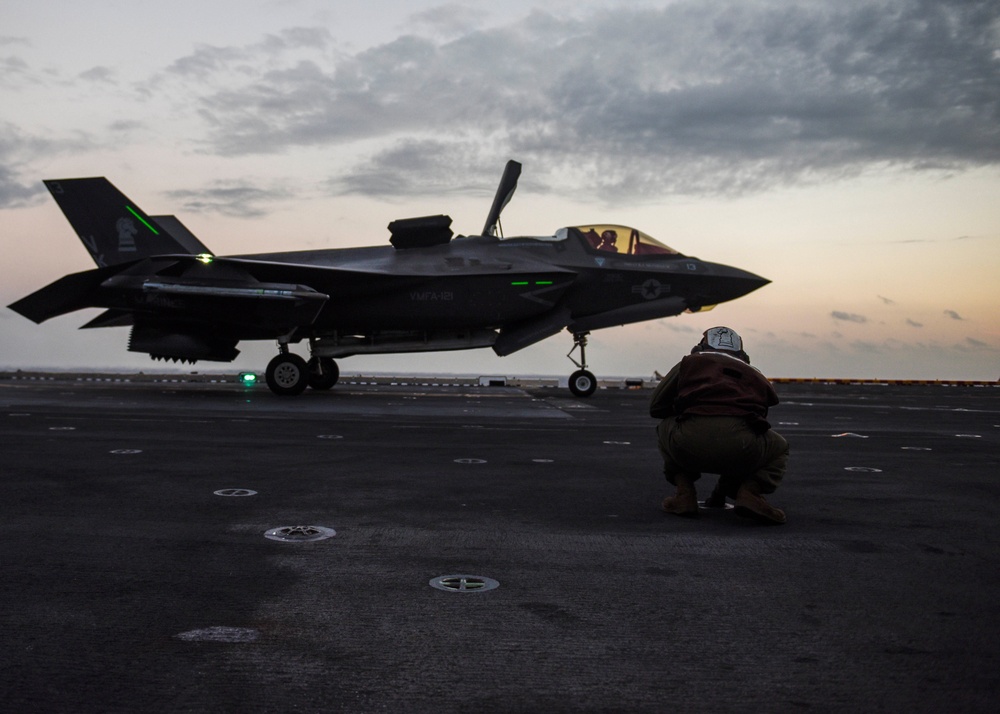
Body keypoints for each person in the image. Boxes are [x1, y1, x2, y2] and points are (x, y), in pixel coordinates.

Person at [649, 326, 789, 524]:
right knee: (779, 446)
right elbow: (762, 414)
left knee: (665, 427)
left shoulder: (688, 364)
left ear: (700, 347)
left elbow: (656, 408)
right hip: (741, 446)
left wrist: (683, 411)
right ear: (742, 354)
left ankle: (684, 493)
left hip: (688, 442)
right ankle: (750, 492)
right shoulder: (754, 374)